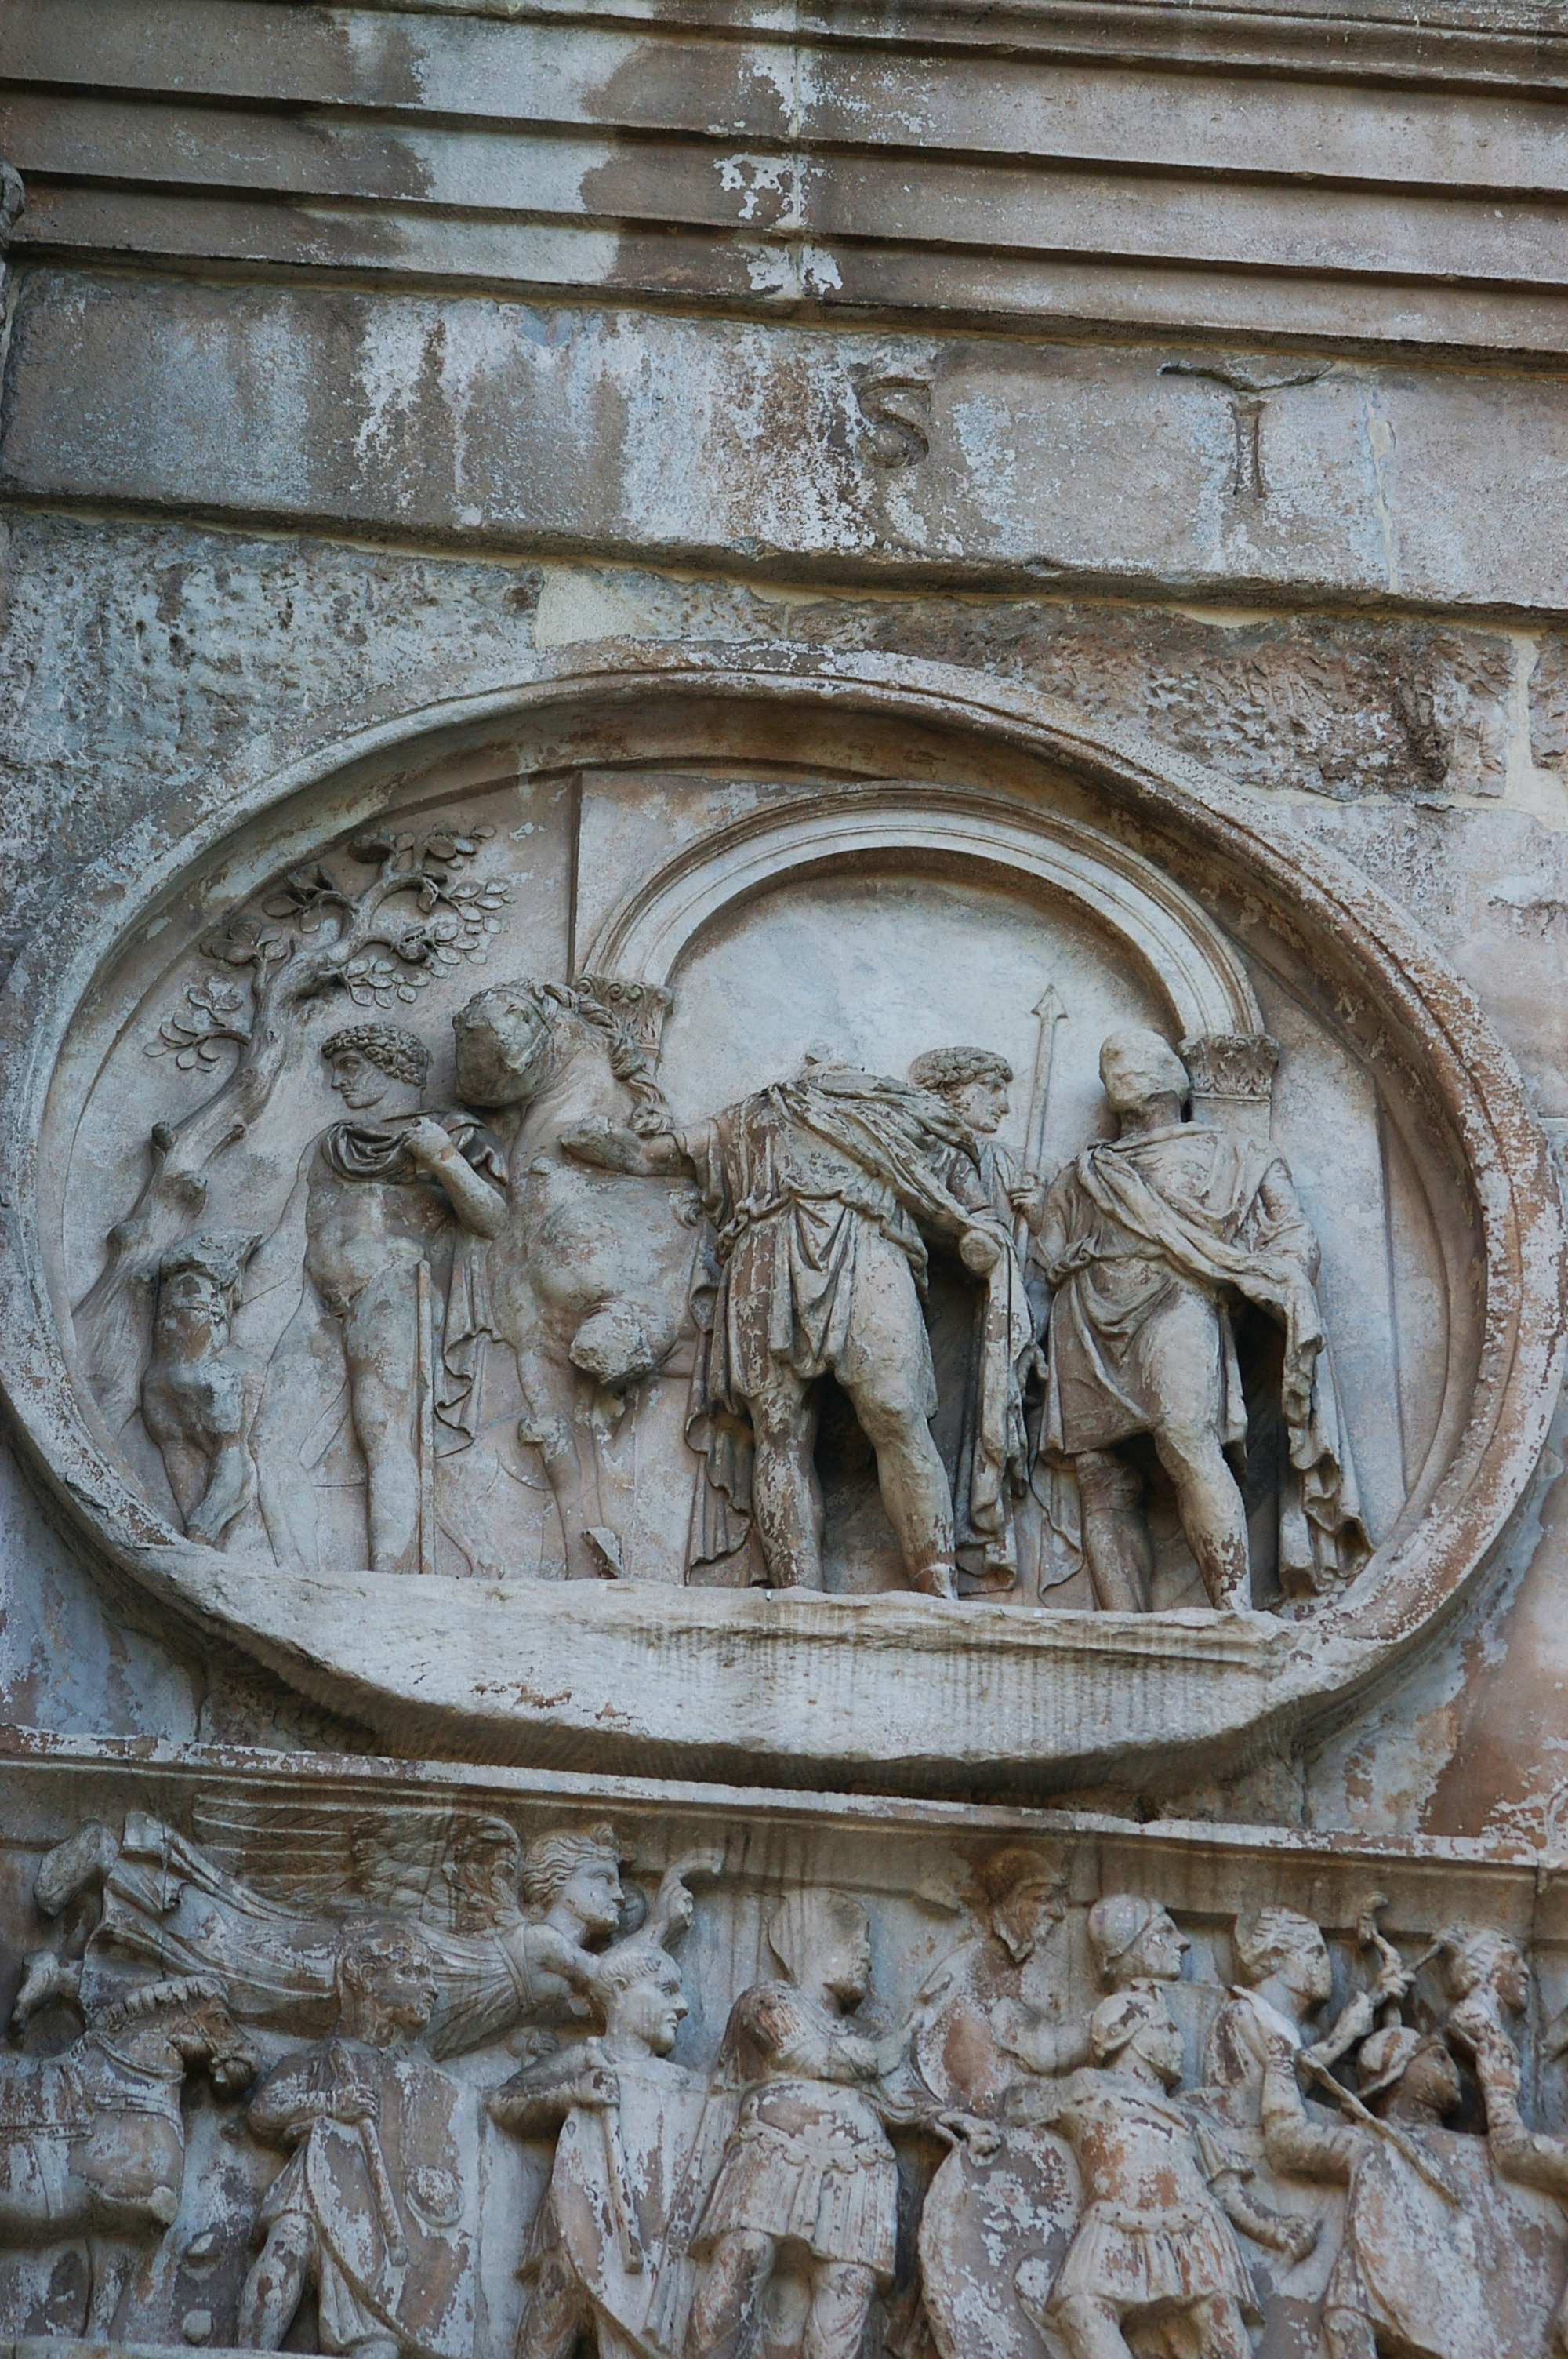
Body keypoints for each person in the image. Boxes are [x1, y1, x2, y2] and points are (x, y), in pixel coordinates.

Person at [564, 1052, 1021, 1598]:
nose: (827, 1067)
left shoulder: (907, 1115)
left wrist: (984, 1239)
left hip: (868, 1246)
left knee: (896, 1411)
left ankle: (936, 1585)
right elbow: (652, 1155)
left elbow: (975, 1213)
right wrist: (602, 1141)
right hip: (766, 1253)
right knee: (779, 1430)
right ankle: (798, 1594)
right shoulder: (756, 1113)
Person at [1022, 1027, 1362, 1612]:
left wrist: (1276, 1276)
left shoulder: (1236, 1155)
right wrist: (1033, 1240)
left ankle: (1233, 1612)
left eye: (1134, 1065)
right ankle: (1124, 1627)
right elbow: (1046, 1261)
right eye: (1114, 1068)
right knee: (1102, 1477)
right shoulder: (1085, 1173)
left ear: (1170, 1083)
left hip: (1177, 1300)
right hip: (1087, 1313)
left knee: (1186, 1438)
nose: (1121, 1072)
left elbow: (1292, 1235)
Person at [13, 1813, 629, 2064]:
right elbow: (615, 1983)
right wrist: (665, 1925)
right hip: (377, 1966)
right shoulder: (545, 1943)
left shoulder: (557, 1970)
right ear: (557, 1883)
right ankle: (118, 1854)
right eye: (601, 1879)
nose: (620, 1897)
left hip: (399, 2012)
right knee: (242, 1953)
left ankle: (65, 1979)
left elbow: (599, 1999)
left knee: (246, 2009)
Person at [256, 1023, 506, 1576]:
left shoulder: (452, 1132)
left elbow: (492, 1219)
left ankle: (388, 1578)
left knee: (383, 1433)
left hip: (392, 1291)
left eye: (351, 1067)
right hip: (318, 1304)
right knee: (268, 1439)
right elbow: (289, 1234)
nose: (337, 1082)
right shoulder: (330, 1145)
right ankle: (289, 1574)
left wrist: (444, 1159)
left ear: (393, 1068)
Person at [1014, 1982, 1315, 2359]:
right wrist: (967, 2127)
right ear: (1129, 2036)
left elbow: (1227, 2192)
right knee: (1081, 2308)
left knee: (1220, 2325)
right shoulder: (1088, 2087)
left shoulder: (1188, 2117)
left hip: (1193, 2226)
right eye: (1166, 2030)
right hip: (1115, 2224)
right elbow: (1014, 2105)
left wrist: (1275, 2228)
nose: (1180, 2043)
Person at [238, 1919, 465, 2359]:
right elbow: (263, 2112)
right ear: (367, 1980)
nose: (432, 1989)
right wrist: (329, 2103)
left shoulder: (428, 2078)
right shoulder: (324, 2058)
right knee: (289, 2244)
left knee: (378, 2337)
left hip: (383, 2220)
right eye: (412, 1973)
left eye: (429, 1975)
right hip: (317, 2187)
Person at [492, 1932, 709, 2359]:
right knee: (546, 2333)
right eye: (666, 1990)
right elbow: (503, 2103)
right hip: (575, 2222)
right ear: (621, 1991)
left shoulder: (689, 2087)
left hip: (648, 2244)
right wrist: (572, 2092)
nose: (682, 2005)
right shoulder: (588, 2058)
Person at [1261, 2025, 1486, 2359]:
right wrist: (1280, 2065)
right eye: (1438, 2057)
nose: (1452, 2069)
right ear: (1399, 2073)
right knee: (1345, 2313)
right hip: (1371, 2301)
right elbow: (1286, 2141)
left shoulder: (1473, 2156)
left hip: (1459, 2308)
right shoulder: (1368, 2144)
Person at [907, 1047, 1040, 1584]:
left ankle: (970, 1535)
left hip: (981, 1314)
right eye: (992, 1089)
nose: (1003, 1105)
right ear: (953, 1092)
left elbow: (1045, 1257)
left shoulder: (1006, 1162)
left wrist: (1038, 1214)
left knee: (975, 1424)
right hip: (927, 1304)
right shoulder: (917, 1145)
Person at [1203, 1906, 1411, 2128]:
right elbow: (1279, 2090)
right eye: (1315, 1953)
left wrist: (1380, 2001)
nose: (1327, 1966)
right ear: (1275, 1958)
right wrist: (1341, 2038)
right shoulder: (1243, 2014)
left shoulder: (1309, 2032)